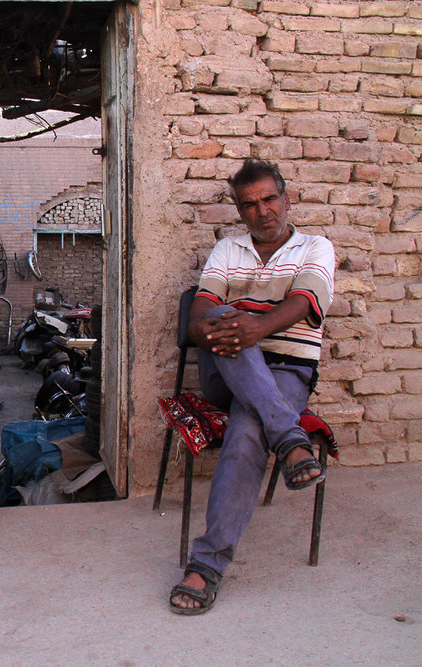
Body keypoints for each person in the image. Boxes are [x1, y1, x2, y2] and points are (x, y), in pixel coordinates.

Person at [169, 159, 335, 615]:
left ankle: (206, 565)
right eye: (250, 205)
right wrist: (229, 330)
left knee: (245, 433)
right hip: (224, 372)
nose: (262, 211)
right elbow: (200, 319)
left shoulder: (315, 248)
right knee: (224, 319)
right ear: (241, 213)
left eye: (269, 199)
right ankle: (290, 440)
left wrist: (254, 328)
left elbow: (303, 303)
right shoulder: (227, 251)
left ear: (286, 198)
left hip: (287, 373)